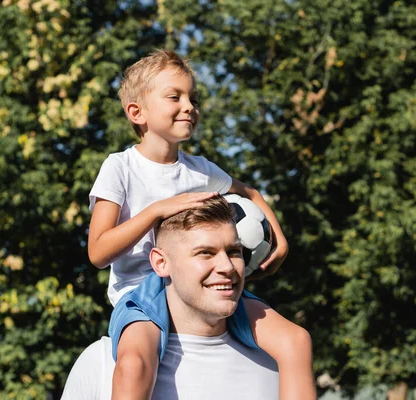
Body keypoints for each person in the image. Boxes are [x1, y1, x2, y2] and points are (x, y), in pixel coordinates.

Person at [88, 50, 315, 399]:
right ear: (137, 112)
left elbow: (250, 193)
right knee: (134, 364)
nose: (189, 106)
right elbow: (98, 252)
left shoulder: (202, 170)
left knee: (296, 341)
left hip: (204, 288)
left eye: (193, 98)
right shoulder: (120, 167)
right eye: (174, 97)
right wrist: (155, 211)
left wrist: (279, 240)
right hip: (141, 294)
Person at [62, 196, 284, 399]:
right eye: (205, 252)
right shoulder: (101, 365)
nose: (227, 267)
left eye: (235, 252)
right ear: (161, 263)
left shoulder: (277, 366)